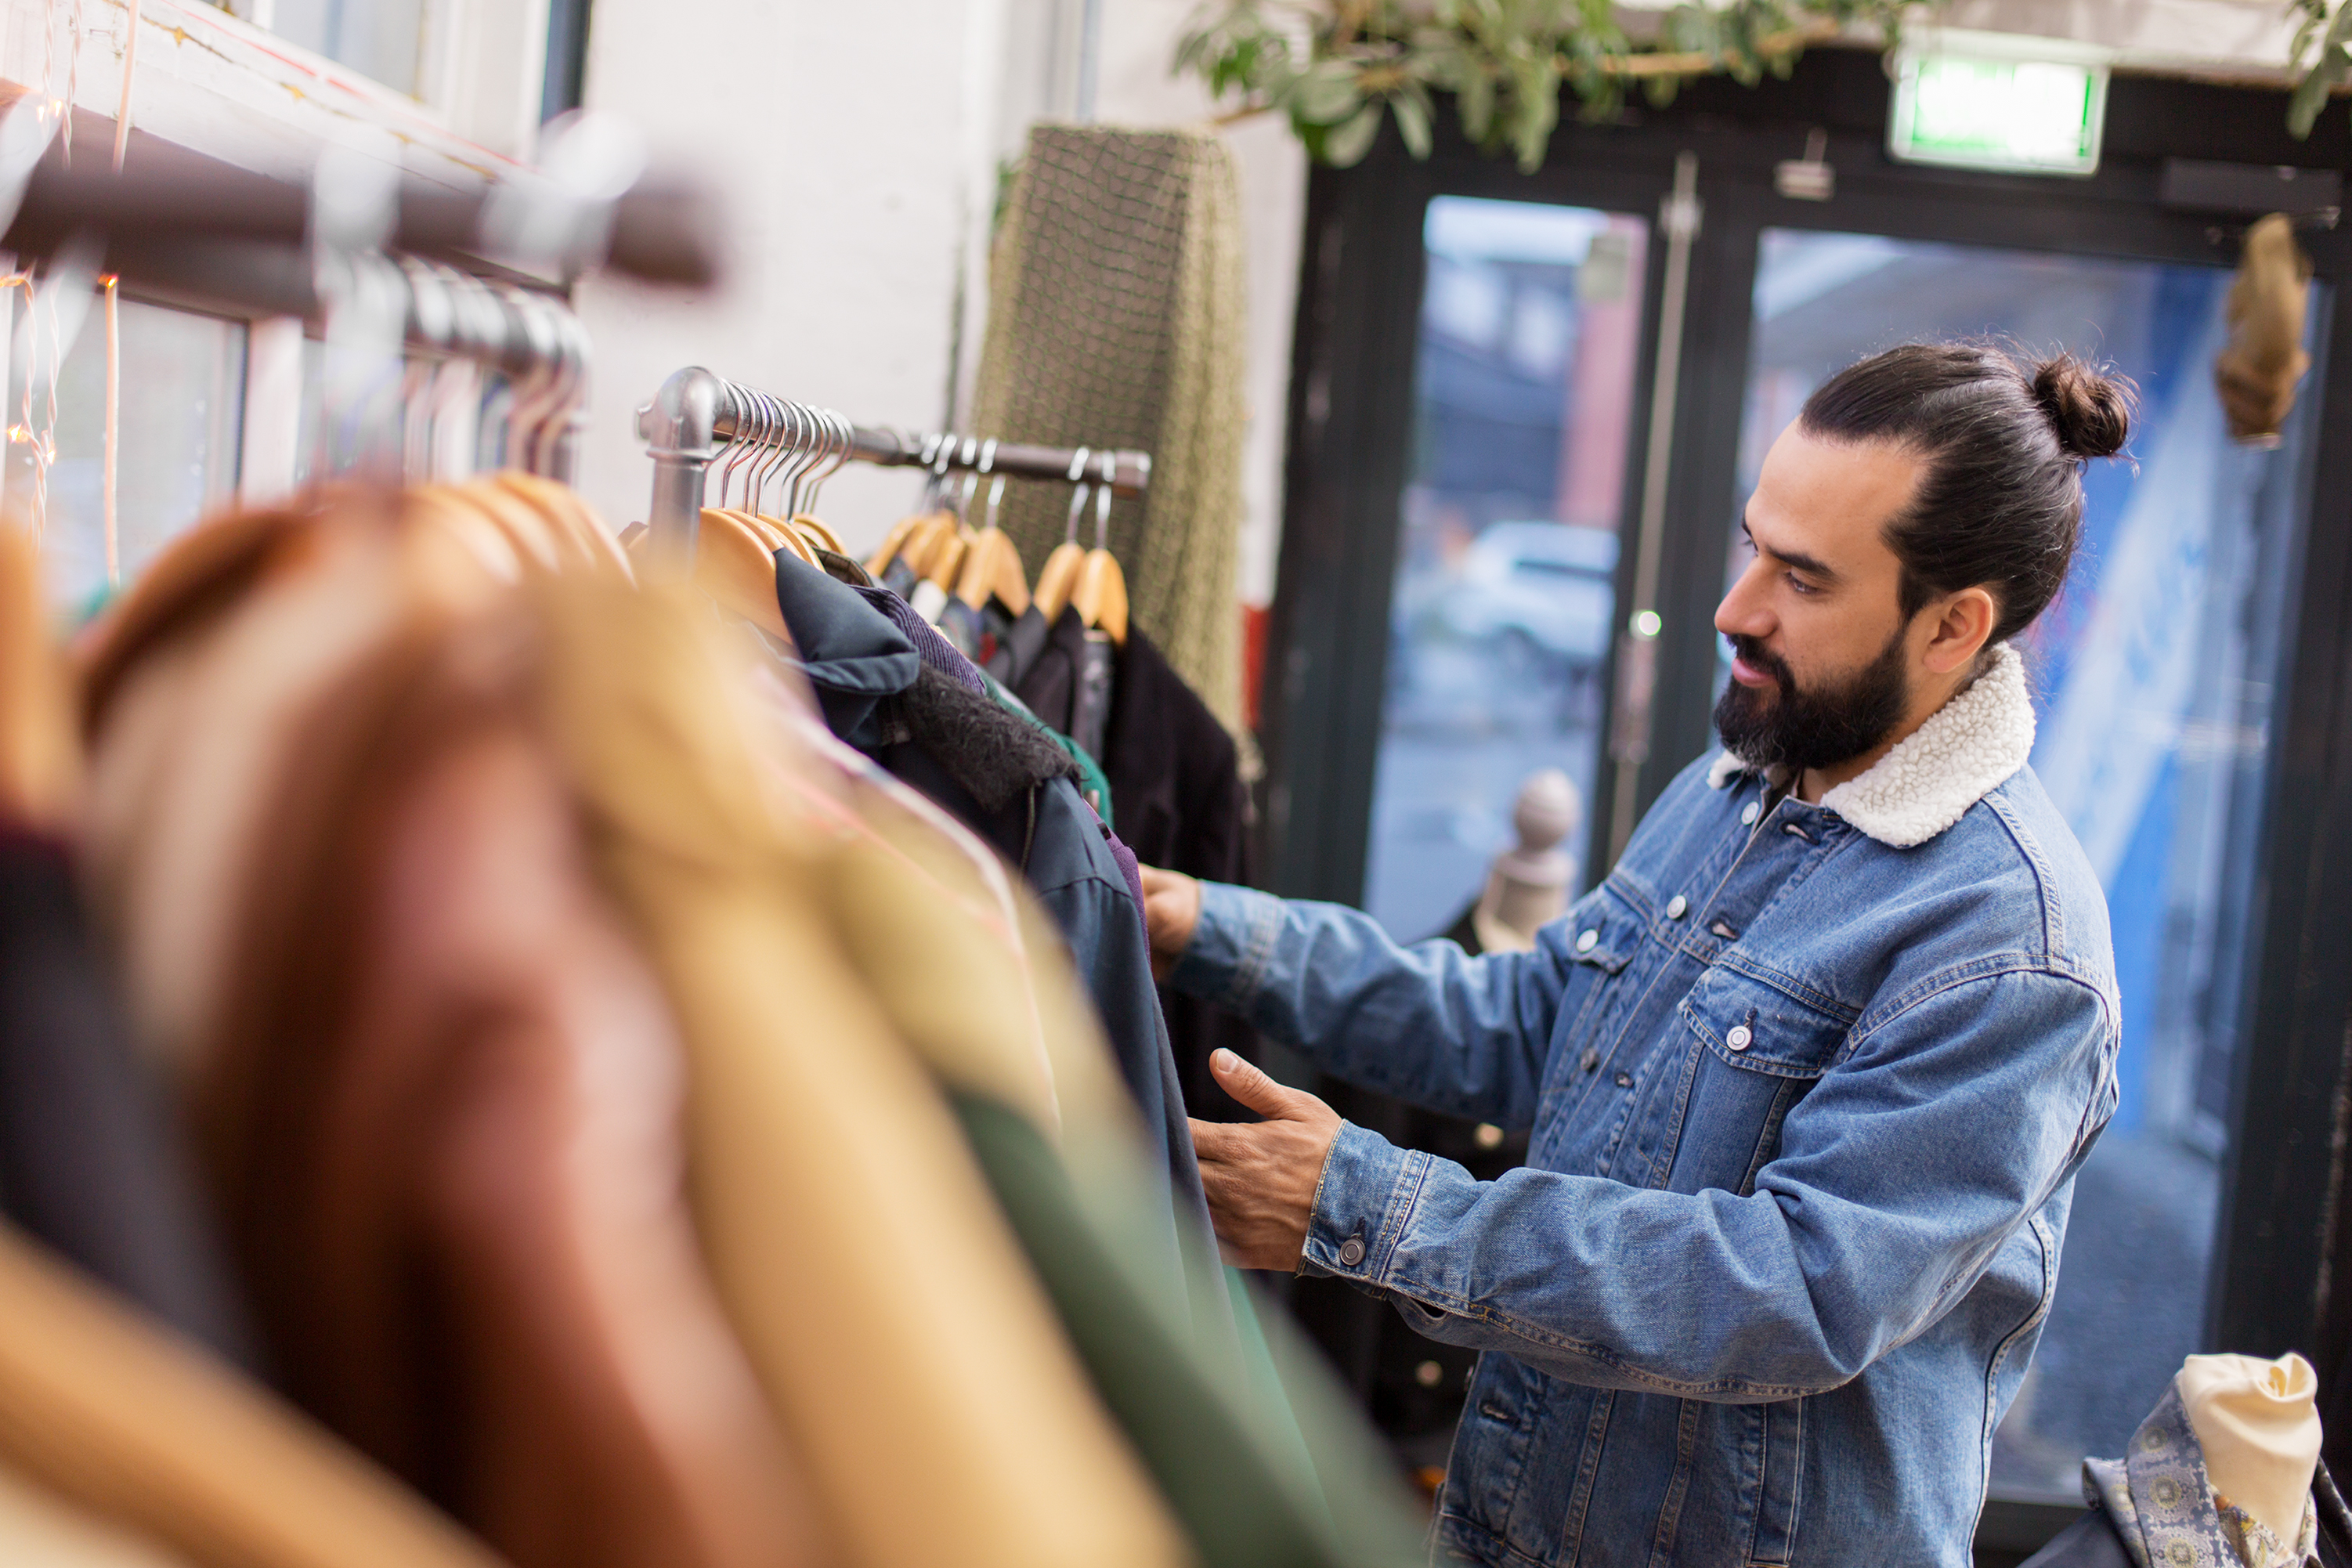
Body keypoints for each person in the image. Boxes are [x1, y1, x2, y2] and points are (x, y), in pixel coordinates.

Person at [1140, 341, 2130, 1568]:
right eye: (1752, 542)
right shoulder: (1740, 783)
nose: (1736, 607)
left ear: (1953, 627)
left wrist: (1364, 1208)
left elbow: (1794, 1291)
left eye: (1803, 579)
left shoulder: (2010, 948)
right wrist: (1203, 925)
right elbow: (1537, 1025)